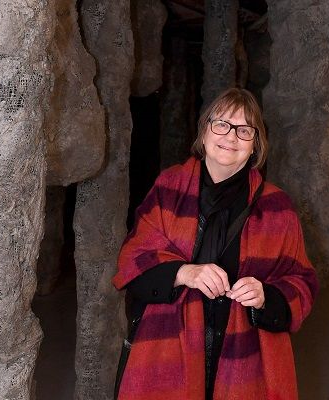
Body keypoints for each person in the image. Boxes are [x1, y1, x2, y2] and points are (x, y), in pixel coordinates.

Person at [112, 88, 318, 399]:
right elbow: (132, 261)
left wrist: (266, 296)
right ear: (205, 132)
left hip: (246, 360)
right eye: (221, 124)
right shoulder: (169, 187)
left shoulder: (278, 207)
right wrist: (184, 273)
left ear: (255, 146)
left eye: (244, 130)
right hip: (167, 350)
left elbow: (303, 283)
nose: (231, 137)